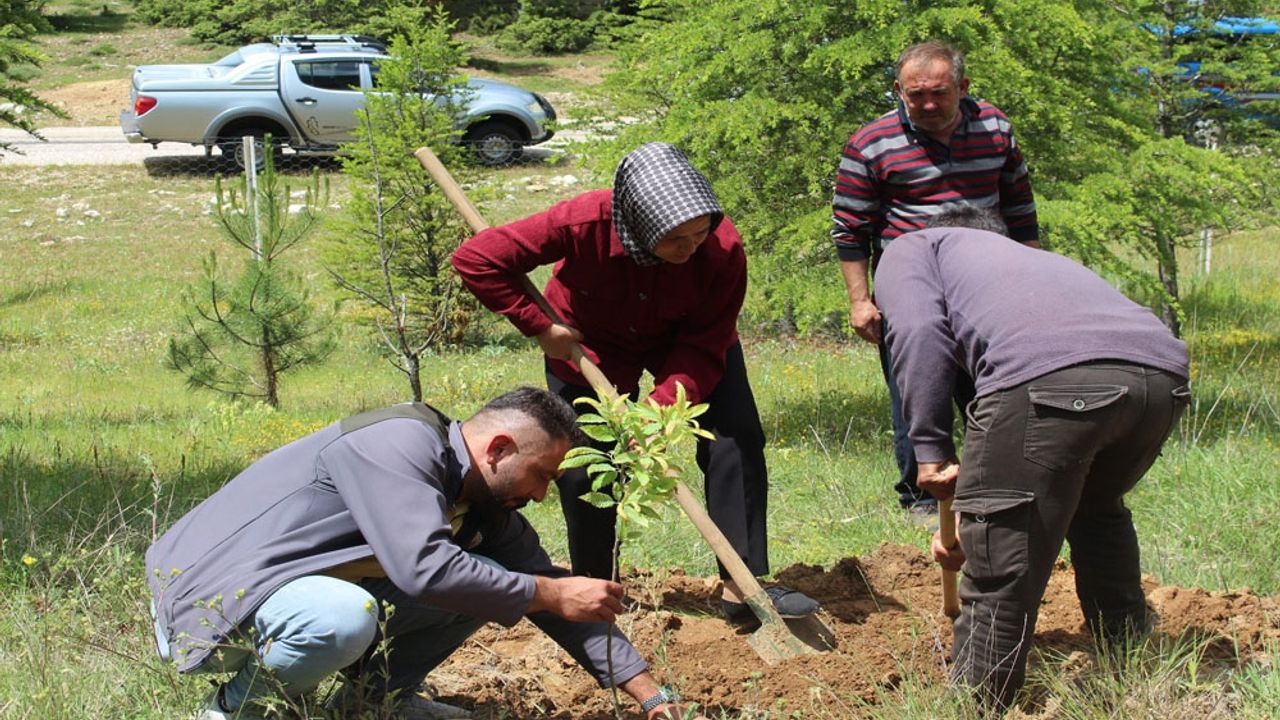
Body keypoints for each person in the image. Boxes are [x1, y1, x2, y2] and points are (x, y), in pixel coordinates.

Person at [146, 387, 704, 720]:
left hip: (283, 597)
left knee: (489, 579)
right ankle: (236, 710)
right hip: (208, 605)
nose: (540, 495)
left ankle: (371, 703)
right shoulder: (398, 443)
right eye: (542, 475)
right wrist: (547, 592)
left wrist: (653, 697)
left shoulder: (482, 503)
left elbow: (551, 593)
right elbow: (426, 570)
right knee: (347, 616)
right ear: (499, 449)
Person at [451, 142, 818, 626]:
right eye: (675, 239)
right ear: (637, 226)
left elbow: (706, 342)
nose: (690, 247)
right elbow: (477, 259)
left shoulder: (723, 248)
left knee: (736, 438)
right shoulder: (583, 221)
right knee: (583, 465)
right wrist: (539, 328)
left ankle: (742, 585)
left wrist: (659, 412)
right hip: (589, 348)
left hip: (689, 341)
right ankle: (593, 586)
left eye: (699, 233)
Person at [874, 208, 1191, 712]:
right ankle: (1129, 670)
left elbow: (918, 333)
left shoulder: (914, 247)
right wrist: (976, 507)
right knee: (1096, 512)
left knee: (1001, 559)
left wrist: (930, 451)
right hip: (1160, 381)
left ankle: (978, 704)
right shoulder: (1031, 261)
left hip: (1053, 378)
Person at [830, 40, 1040, 516]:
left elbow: (1021, 208)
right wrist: (860, 301)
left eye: (938, 93)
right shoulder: (871, 143)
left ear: (963, 87)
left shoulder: (995, 128)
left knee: (995, 390)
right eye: (915, 94)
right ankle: (922, 499)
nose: (926, 104)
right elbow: (850, 229)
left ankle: (993, 494)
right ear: (898, 90)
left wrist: (1034, 281)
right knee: (919, 390)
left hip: (988, 280)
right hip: (911, 282)